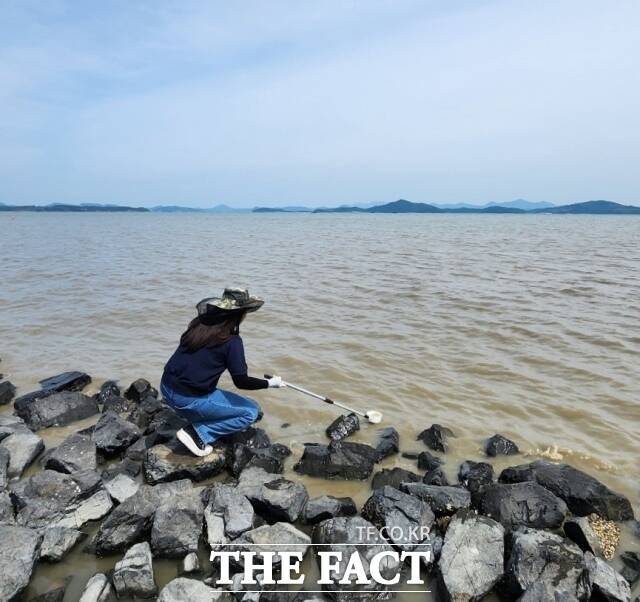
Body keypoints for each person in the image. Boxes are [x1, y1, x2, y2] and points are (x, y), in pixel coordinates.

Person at [160, 288, 283, 457]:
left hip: (166, 389)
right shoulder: (232, 341)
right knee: (251, 412)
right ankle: (198, 433)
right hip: (188, 400)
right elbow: (241, 381)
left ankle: (198, 420)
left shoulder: (198, 325)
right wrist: (270, 384)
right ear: (239, 314)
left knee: (236, 402)